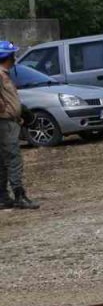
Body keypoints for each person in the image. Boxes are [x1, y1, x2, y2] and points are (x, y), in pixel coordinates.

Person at [0, 41, 38, 210]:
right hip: (4, 123)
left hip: (8, 121)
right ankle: (19, 196)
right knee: (13, 159)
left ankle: (3, 197)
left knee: (3, 160)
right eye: (12, 54)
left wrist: (21, 111)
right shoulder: (0, 75)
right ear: (7, 56)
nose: (14, 57)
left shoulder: (4, 74)